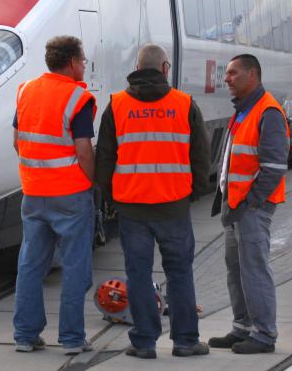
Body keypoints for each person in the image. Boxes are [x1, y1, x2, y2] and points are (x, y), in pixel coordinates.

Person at [95, 44, 211, 359]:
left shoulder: (117, 105)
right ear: (165, 67)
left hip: (132, 209)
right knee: (180, 273)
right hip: (173, 205)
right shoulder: (184, 104)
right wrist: (194, 191)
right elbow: (201, 155)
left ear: (136, 67)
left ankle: (144, 342)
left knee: (138, 274)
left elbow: (104, 158)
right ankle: (186, 341)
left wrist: (110, 196)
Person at [12, 35, 97, 356]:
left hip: (33, 193)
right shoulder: (77, 98)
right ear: (73, 62)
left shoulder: (26, 91)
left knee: (31, 265)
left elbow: (17, 141)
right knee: (75, 267)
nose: (85, 65)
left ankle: (24, 335)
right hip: (71, 194)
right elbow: (84, 151)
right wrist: (91, 182)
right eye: (84, 60)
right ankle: (73, 338)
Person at [208, 54, 289, 355]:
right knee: (236, 268)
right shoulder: (244, 110)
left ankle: (265, 335)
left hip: (251, 208)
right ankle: (242, 327)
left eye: (233, 73)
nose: (226, 79)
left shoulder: (268, 112)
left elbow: (275, 167)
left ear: (252, 75)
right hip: (237, 206)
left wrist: (252, 203)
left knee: (253, 268)